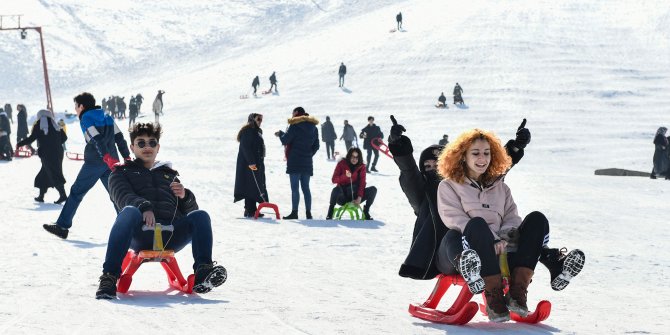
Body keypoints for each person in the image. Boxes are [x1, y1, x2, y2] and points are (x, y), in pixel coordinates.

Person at [434, 128, 585, 322]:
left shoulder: (501, 187)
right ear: (462, 156)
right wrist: (492, 238)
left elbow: (512, 215)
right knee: (476, 224)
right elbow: (453, 217)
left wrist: (506, 235)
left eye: (487, 153)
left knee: (537, 219)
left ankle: (518, 292)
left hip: (502, 251)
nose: (482, 158)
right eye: (476, 153)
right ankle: (493, 295)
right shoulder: (449, 185)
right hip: (466, 249)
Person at [95, 122, 227, 299]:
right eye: (141, 143)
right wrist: (144, 207)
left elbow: (191, 213)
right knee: (128, 211)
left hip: (171, 235)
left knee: (200, 216)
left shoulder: (169, 174)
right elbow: (122, 197)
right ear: (132, 147)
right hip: (140, 234)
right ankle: (109, 277)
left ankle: (203, 273)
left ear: (158, 147)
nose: (147, 147)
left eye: (152, 143)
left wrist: (185, 196)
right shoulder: (120, 173)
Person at [43, 92, 132, 239]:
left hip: (96, 161)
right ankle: (129, 228)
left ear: (81, 106)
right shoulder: (106, 115)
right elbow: (119, 136)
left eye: (76, 106)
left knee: (77, 192)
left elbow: (95, 138)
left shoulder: (86, 117)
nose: (76, 110)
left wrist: (105, 157)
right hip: (111, 162)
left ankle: (62, 226)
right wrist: (126, 156)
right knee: (116, 195)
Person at [274, 107, 319, 219]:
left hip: (294, 160)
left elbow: (286, 140)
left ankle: (295, 212)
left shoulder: (294, 125)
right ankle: (308, 213)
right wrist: (308, 154)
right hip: (307, 161)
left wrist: (280, 134)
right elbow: (316, 145)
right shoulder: (314, 127)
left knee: (295, 188)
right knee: (306, 188)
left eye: (293, 113)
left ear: (296, 113)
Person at [17, 110, 68, 204]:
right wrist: (55, 143)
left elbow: (32, 138)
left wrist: (20, 143)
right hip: (58, 153)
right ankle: (41, 196)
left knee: (54, 173)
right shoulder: (55, 125)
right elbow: (65, 138)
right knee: (44, 173)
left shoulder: (39, 125)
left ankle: (63, 195)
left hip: (47, 154)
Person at [326, 147, 377, 220]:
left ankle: (366, 211)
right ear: (349, 156)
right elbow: (334, 180)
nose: (354, 159)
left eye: (357, 157)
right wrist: (345, 176)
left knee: (373, 190)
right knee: (335, 190)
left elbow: (362, 183)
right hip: (343, 196)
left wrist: (359, 197)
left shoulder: (361, 166)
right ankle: (330, 212)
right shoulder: (341, 163)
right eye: (353, 157)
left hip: (355, 196)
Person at [234, 113, 268, 217]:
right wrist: (251, 162)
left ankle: (252, 209)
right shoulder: (247, 131)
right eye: (258, 119)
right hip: (248, 164)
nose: (260, 121)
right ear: (252, 119)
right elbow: (246, 148)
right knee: (250, 185)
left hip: (257, 162)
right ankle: (249, 210)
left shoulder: (257, 131)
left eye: (261, 119)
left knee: (254, 185)